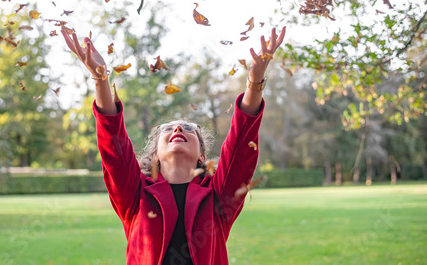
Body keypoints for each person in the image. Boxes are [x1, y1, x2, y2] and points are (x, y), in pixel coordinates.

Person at [61, 26, 286, 265]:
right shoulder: (135, 195)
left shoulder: (218, 197)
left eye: (188, 129)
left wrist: (255, 81)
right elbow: (113, 145)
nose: (178, 129)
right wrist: (100, 78)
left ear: (201, 155)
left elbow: (241, 145)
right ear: (155, 154)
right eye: (167, 128)